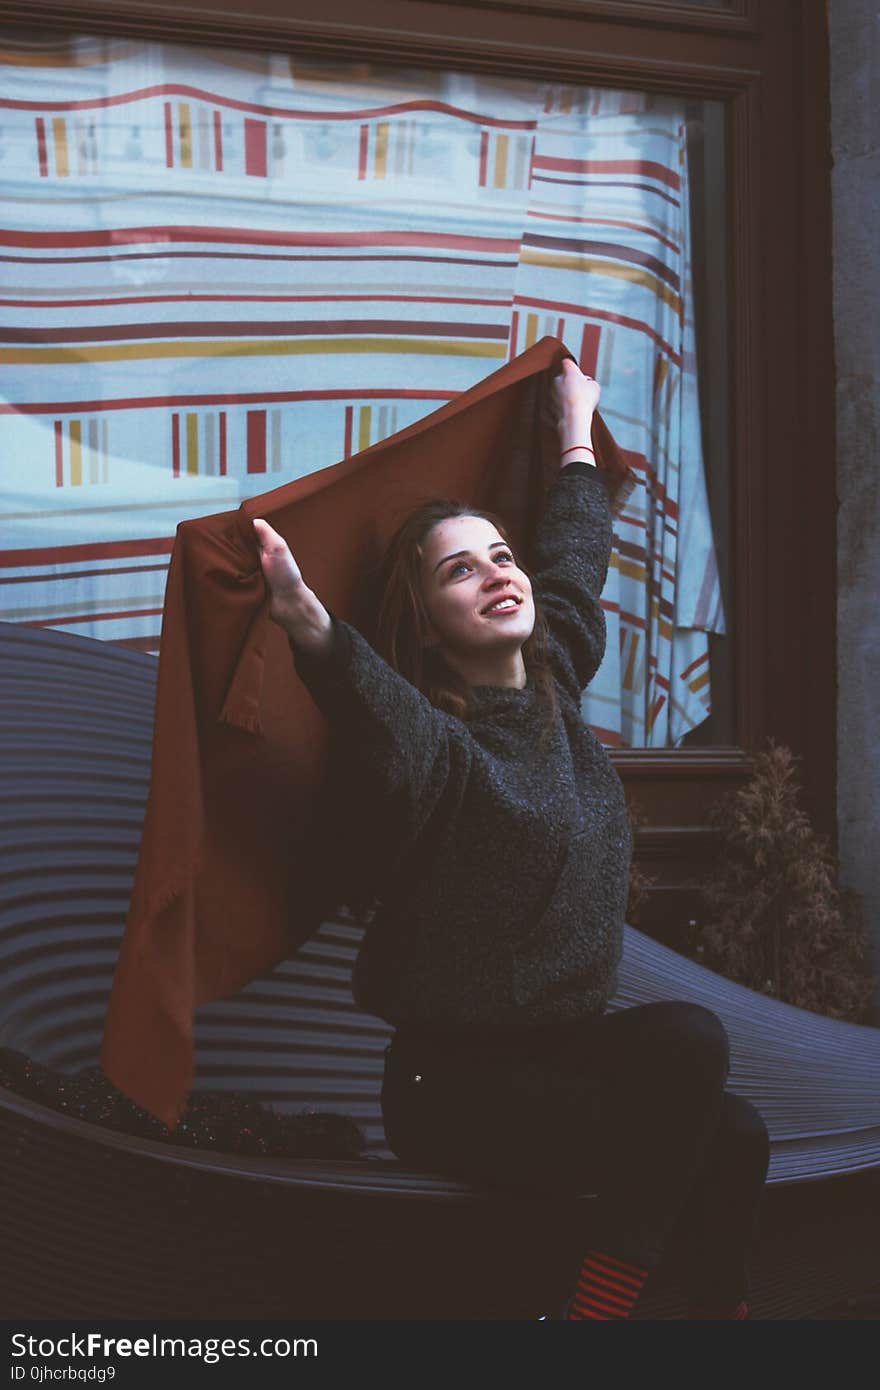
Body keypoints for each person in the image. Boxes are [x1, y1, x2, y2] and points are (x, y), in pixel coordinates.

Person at [252, 359, 771, 1321]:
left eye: (500, 555)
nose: (497, 573)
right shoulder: (433, 751)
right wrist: (311, 629)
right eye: (461, 569)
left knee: (730, 1125)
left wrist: (575, 432)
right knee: (697, 1073)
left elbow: (571, 564)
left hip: (563, 1064)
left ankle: (715, 1327)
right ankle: (593, 1325)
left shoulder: (556, 688)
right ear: (430, 621)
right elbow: (372, 709)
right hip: (451, 1090)